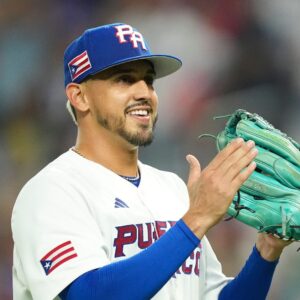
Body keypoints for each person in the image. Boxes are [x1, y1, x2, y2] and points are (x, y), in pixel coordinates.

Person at [11, 23, 291, 300]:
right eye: (124, 79)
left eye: (149, 80)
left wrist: (266, 253)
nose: (144, 92)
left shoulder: (171, 188)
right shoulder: (51, 192)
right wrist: (196, 219)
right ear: (79, 96)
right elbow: (90, 294)